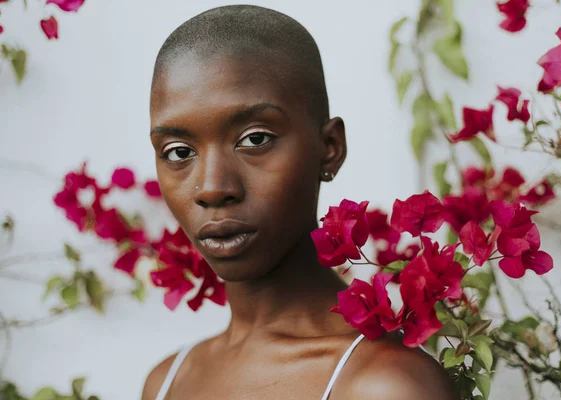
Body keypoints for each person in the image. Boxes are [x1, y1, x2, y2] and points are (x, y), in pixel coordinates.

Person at [142, 5, 459, 399]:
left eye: (255, 139)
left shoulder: (384, 385)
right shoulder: (166, 382)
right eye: (177, 151)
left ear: (329, 148)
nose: (211, 188)